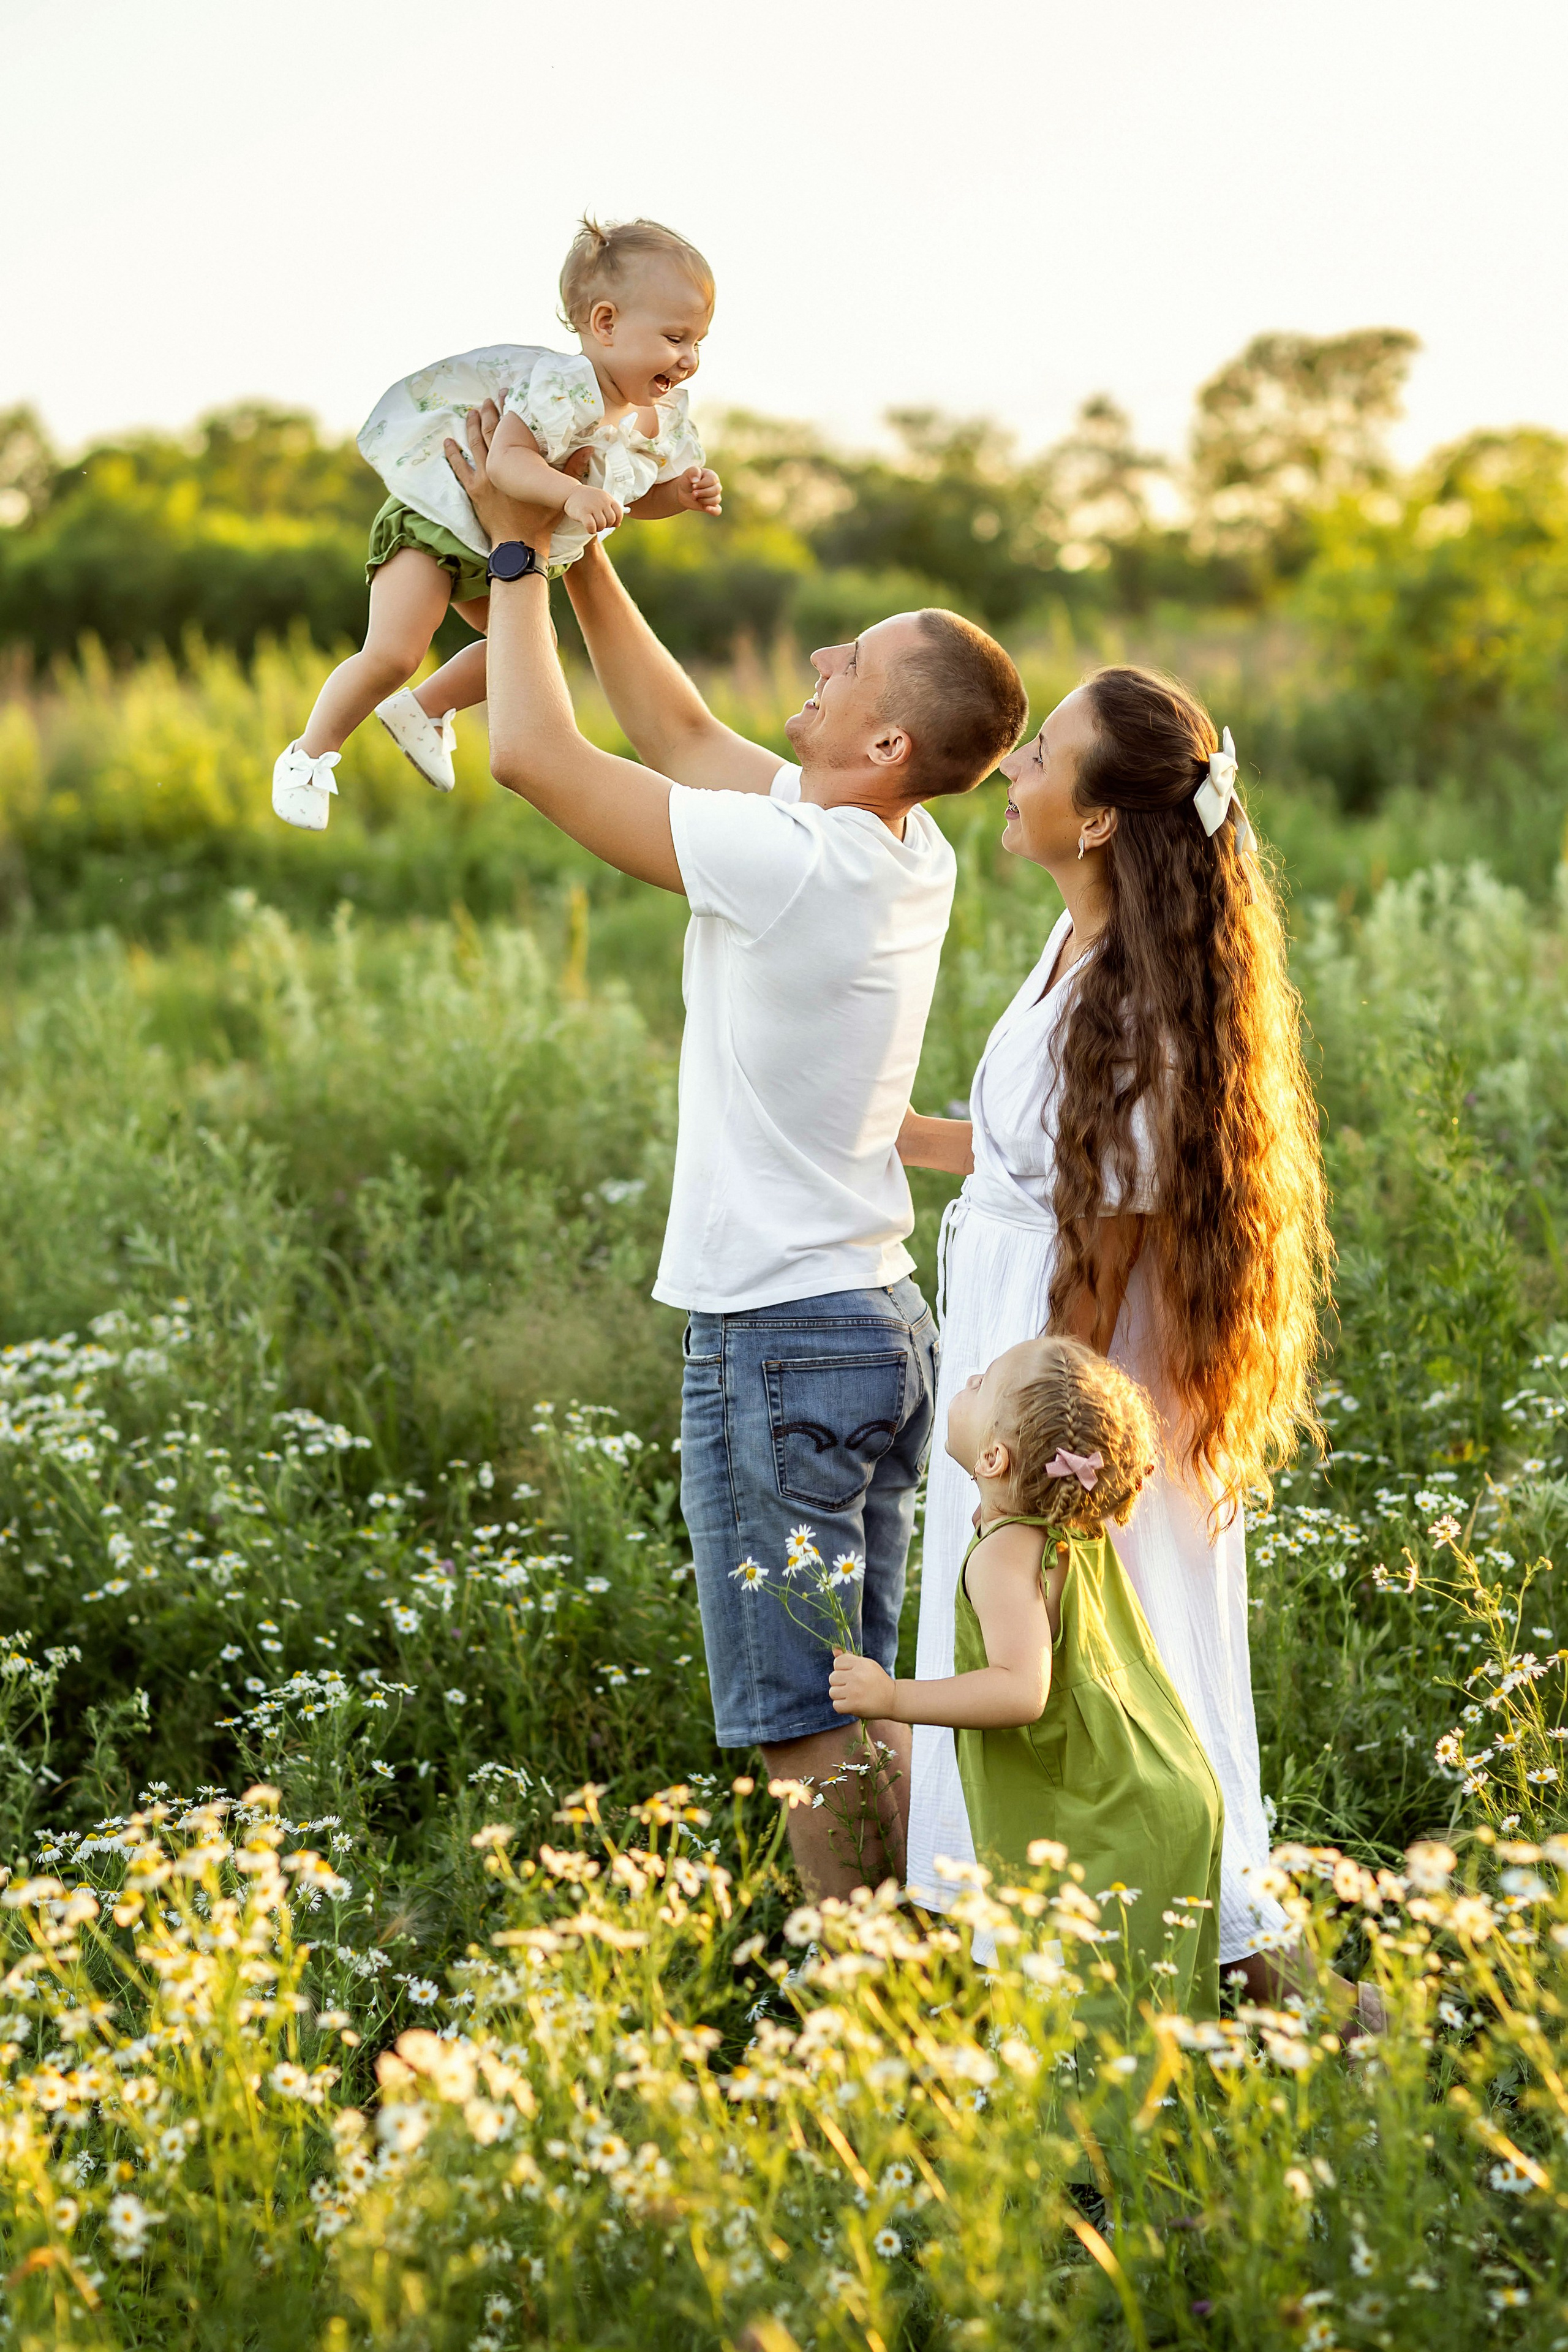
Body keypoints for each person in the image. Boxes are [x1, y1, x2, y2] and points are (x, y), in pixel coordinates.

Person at [443, 402, 1028, 1899]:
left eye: (846, 664)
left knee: (801, 1729)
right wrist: (580, 559)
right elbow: (685, 737)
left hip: (777, 1340)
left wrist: (508, 542)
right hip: (871, 1327)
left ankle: (855, 2031)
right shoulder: (904, 843)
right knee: (861, 1696)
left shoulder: (794, 862)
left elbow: (532, 755)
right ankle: (899, 1984)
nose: (818, 665)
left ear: (885, 738)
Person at [900, 666, 1332, 2005]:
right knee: (1069, 1666)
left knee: (1122, 1666)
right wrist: (884, 1136)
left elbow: (1113, 1238)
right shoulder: (1072, 942)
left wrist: (1039, 1476)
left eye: (1043, 754)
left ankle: (1261, 1984)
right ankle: (1063, 1962)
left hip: (1080, 1391)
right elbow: (1041, 1155)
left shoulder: (1141, 1000)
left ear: (1095, 820)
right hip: (1023, 1347)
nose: (1014, 769)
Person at [271, 217, 722, 830]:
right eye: (675, 337)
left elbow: (632, 498)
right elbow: (508, 461)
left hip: (497, 546)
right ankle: (308, 756)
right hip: (438, 523)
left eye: (698, 342)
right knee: (395, 652)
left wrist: (680, 494)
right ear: (606, 324)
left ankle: (425, 712)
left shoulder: (657, 422)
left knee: (521, 652)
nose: (688, 359)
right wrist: (567, 496)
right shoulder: (561, 390)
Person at [829, 1335, 1224, 2019]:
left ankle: (1091, 2128)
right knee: (1148, 2002)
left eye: (979, 1383)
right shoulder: (1069, 1528)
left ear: (992, 1458)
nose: (969, 1378)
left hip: (1109, 1809)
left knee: (1093, 2007)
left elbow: (1020, 1689)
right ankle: (1160, 2118)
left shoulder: (1002, 1557)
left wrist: (892, 1697)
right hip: (1154, 1783)